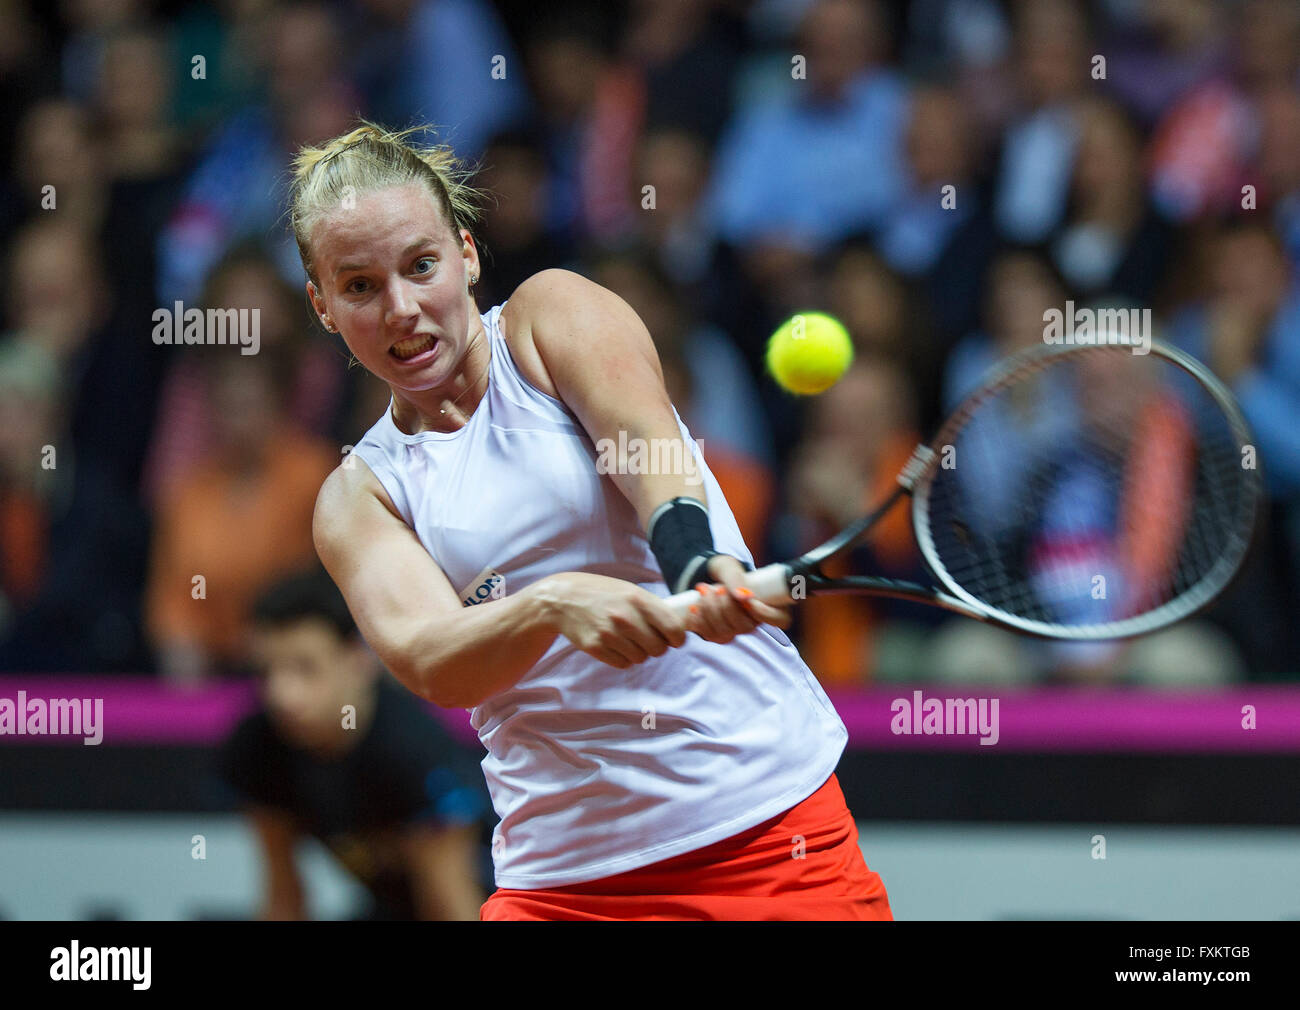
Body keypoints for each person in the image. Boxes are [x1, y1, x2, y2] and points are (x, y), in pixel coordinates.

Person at [293, 121, 892, 920]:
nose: (401, 308)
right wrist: (552, 604)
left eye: (421, 265)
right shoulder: (357, 497)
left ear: (466, 254)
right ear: (323, 305)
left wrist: (691, 563)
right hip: (563, 881)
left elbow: (646, 446)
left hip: (761, 828)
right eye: (360, 286)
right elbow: (433, 660)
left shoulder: (552, 315)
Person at [217, 567, 490, 921]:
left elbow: (451, 907)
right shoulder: (259, 746)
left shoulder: (411, 751)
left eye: (305, 667)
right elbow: (283, 897)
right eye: (268, 670)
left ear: (359, 658)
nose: (282, 695)